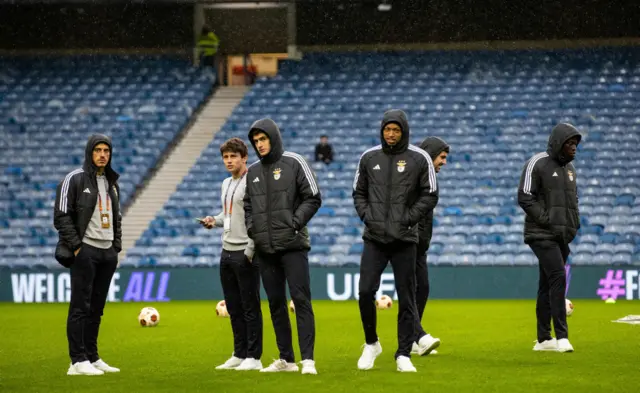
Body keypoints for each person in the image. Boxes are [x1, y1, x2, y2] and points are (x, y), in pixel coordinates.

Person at [352, 109, 438, 372]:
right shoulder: (368, 157)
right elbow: (358, 192)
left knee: (407, 296)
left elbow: (430, 194)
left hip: (404, 238)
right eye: (387, 129)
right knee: (366, 291)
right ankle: (371, 343)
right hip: (375, 237)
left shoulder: (419, 158)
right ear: (382, 130)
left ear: (404, 132)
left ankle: (403, 354)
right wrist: (368, 217)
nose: (391, 134)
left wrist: (409, 218)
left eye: (396, 130)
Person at [243, 118, 322, 375]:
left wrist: (294, 224)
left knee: (301, 301)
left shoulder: (294, 162)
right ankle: (286, 360)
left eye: (263, 139)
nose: (259, 145)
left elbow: (313, 197)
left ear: (273, 138)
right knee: (276, 304)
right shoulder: (253, 172)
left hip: (293, 246)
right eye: (255, 142)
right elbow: (248, 206)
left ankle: (308, 360)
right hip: (266, 250)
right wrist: (254, 230)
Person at [53, 134, 122, 376]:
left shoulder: (112, 182)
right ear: (89, 153)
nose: (103, 154)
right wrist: (77, 247)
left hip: (107, 252)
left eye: (107, 150)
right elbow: (61, 216)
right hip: (86, 250)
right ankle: (77, 360)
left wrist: (116, 247)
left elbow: (117, 218)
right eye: (98, 150)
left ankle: (92, 357)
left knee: (97, 308)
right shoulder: (74, 178)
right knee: (80, 306)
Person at [517, 123, 581, 353]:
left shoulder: (571, 169)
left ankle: (544, 339)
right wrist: (546, 220)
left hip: (561, 236)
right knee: (557, 276)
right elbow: (524, 196)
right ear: (558, 143)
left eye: (575, 144)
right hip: (541, 234)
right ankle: (562, 337)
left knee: (546, 285)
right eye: (569, 143)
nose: (573, 147)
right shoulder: (538, 162)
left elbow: (574, 202)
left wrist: (573, 226)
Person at [201, 137, 263, 371]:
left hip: (245, 252)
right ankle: (239, 353)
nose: (228, 161)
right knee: (234, 307)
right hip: (226, 251)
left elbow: (256, 217)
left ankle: (254, 357)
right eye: (225, 157)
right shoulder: (226, 183)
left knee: (250, 307)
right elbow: (229, 214)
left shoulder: (252, 182)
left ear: (244, 158)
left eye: (233, 156)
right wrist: (213, 220)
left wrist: (251, 249)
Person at [411, 136, 450, 357]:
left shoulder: (429, 179)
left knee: (422, 288)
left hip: (419, 247)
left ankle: (411, 339)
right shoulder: (412, 179)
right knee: (410, 291)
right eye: (442, 157)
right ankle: (419, 336)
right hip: (407, 243)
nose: (444, 162)